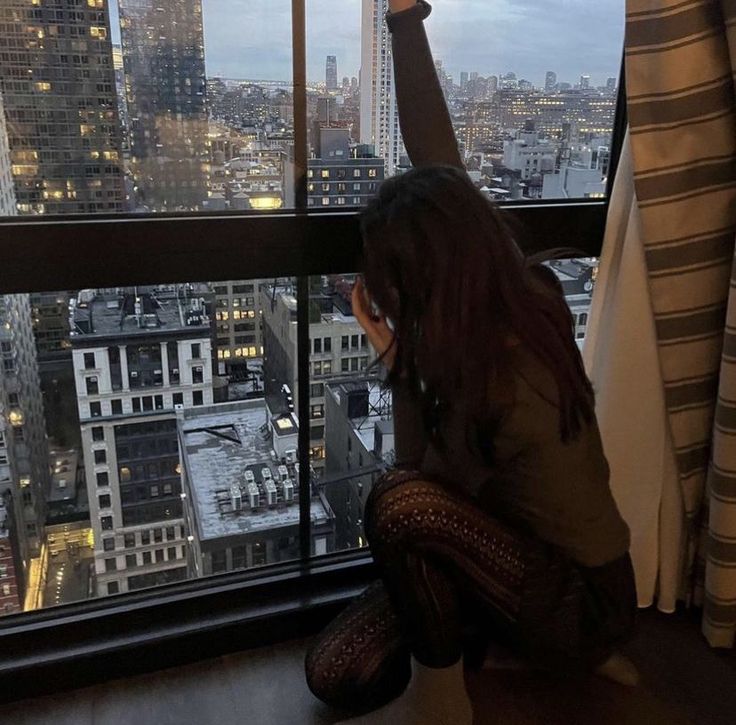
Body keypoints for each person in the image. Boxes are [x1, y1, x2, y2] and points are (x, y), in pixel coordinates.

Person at [304, 2, 638, 723]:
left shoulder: (501, 374)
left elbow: (420, 490)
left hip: (579, 598)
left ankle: (444, 699)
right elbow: (440, 165)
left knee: (397, 502)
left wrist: (395, 353)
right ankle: (492, 652)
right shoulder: (508, 290)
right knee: (333, 672)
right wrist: (403, 20)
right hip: (505, 565)